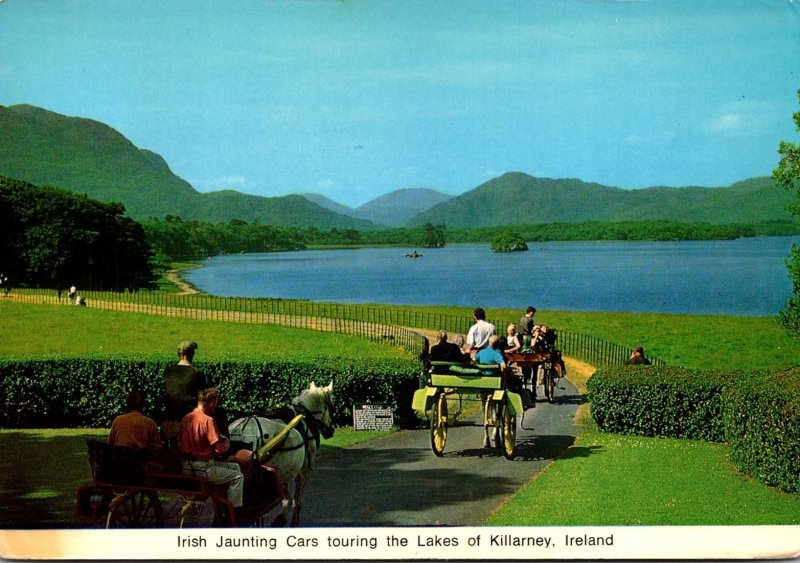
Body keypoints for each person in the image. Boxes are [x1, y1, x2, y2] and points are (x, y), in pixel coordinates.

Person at [177, 388, 244, 509]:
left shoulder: (186, 418)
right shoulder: (208, 421)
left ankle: (215, 500)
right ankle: (233, 512)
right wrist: (226, 443)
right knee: (238, 477)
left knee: (235, 467)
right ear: (212, 403)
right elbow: (219, 449)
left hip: (186, 466)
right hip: (203, 469)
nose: (215, 408)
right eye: (215, 404)